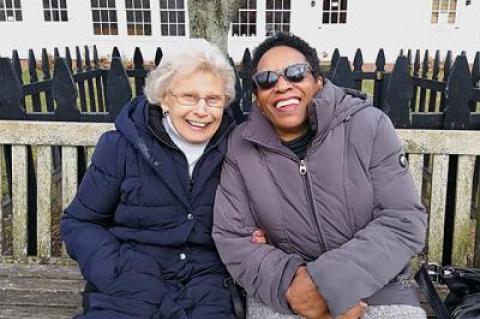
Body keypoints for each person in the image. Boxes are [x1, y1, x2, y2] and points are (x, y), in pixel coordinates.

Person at [212, 33, 428, 319]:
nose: (282, 86)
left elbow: (403, 220)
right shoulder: (241, 146)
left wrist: (329, 284)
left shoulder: (368, 126)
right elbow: (233, 237)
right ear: (257, 96)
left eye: (296, 73)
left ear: (318, 81)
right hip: (283, 286)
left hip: (379, 281)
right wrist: (293, 286)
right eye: (267, 79)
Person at [61, 39, 237, 319]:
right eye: (189, 97)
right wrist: (120, 271)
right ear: (165, 98)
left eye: (213, 99)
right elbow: (79, 222)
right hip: (131, 284)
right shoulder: (121, 147)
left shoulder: (236, 151)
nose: (202, 111)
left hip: (207, 288)